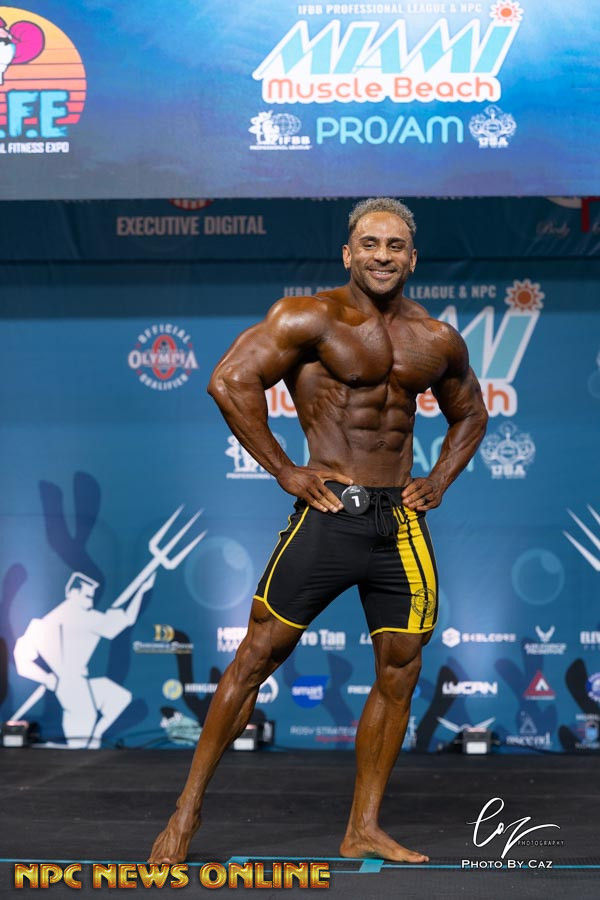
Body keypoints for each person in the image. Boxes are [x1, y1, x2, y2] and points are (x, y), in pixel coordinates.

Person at [149, 197, 488, 864]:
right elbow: (230, 381)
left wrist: (441, 479)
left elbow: (471, 413)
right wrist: (284, 468)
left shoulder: (436, 337)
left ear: (412, 258)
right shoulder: (309, 317)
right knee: (256, 657)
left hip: (401, 523)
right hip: (330, 514)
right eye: (371, 244)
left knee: (400, 670)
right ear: (348, 253)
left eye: (395, 246)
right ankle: (186, 811)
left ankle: (363, 826)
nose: (383, 256)